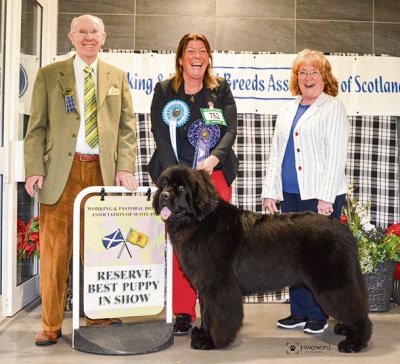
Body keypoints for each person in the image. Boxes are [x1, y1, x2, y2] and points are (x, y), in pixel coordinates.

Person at [24, 14, 138, 346]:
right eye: (82, 32)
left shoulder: (118, 76)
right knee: (55, 252)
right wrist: (34, 167)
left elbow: (127, 131)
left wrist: (125, 167)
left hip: (101, 174)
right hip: (61, 173)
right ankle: (50, 324)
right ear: (71, 38)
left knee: (101, 251)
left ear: (104, 38)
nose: (89, 37)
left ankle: (98, 316)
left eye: (94, 33)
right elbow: (36, 130)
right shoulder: (49, 75)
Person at [148, 33, 239, 334]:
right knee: (181, 247)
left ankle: (213, 307)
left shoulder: (220, 89)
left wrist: (213, 160)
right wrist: (177, 178)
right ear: (180, 58)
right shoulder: (164, 90)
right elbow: (161, 136)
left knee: (216, 248)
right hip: (177, 184)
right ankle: (183, 312)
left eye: (203, 51)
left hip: (214, 178)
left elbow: (229, 130)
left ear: (208, 58)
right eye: (191, 51)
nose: (197, 56)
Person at [261, 49, 349, 334]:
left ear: (324, 77)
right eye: (302, 72)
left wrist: (326, 197)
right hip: (290, 194)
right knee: (293, 256)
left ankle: (318, 314)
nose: (308, 77)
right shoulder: (287, 109)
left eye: (314, 72)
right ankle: (298, 312)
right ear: (296, 77)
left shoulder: (333, 107)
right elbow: (277, 153)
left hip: (320, 195)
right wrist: (270, 192)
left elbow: (336, 154)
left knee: (317, 258)